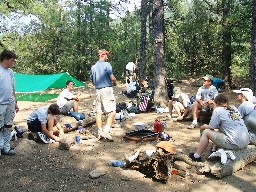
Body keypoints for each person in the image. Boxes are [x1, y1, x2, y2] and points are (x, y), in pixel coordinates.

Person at [189, 94, 250, 162]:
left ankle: (197, 156)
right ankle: (214, 149)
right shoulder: (233, 108)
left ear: (217, 103)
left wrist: (203, 126)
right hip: (246, 140)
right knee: (222, 127)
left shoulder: (218, 110)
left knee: (206, 132)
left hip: (235, 143)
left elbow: (212, 126)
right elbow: (221, 123)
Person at [90, 49, 117, 140]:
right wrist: (115, 83)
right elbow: (112, 78)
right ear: (104, 56)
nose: (107, 57)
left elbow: (93, 82)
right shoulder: (107, 65)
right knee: (112, 111)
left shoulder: (93, 67)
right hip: (107, 90)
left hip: (98, 91)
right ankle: (106, 131)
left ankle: (99, 132)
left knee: (98, 112)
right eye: (107, 56)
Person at [0, 49, 19, 156]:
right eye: (12, 60)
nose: (13, 62)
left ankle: (6, 148)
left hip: (10, 102)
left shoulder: (10, 72)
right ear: (5, 59)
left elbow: (12, 88)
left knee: (8, 125)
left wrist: (15, 102)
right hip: (1, 103)